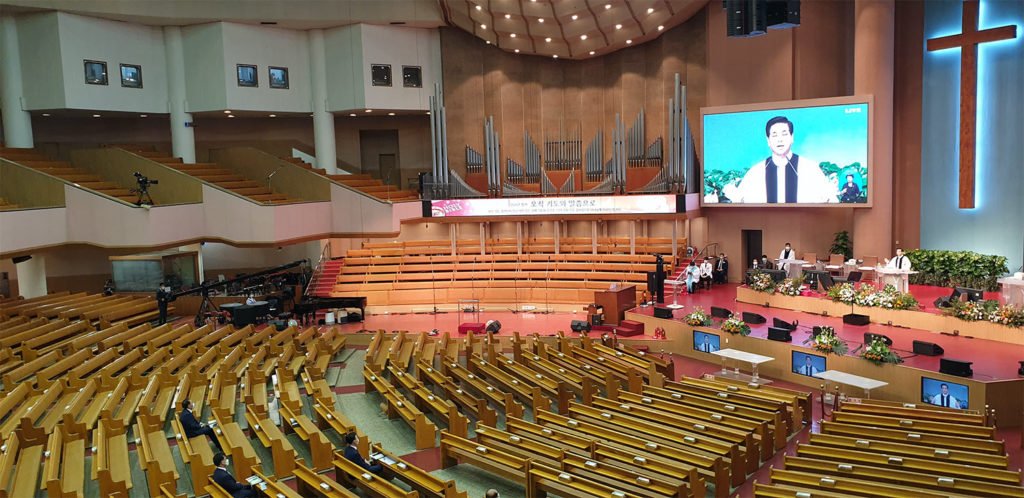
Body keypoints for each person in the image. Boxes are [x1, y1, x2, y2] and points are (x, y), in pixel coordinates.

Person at [730, 116, 836, 203]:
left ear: (792, 137)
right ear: (768, 141)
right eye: (774, 135)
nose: (779, 139)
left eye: (784, 134)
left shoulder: (810, 168)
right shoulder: (755, 172)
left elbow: (830, 200)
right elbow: (739, 203)